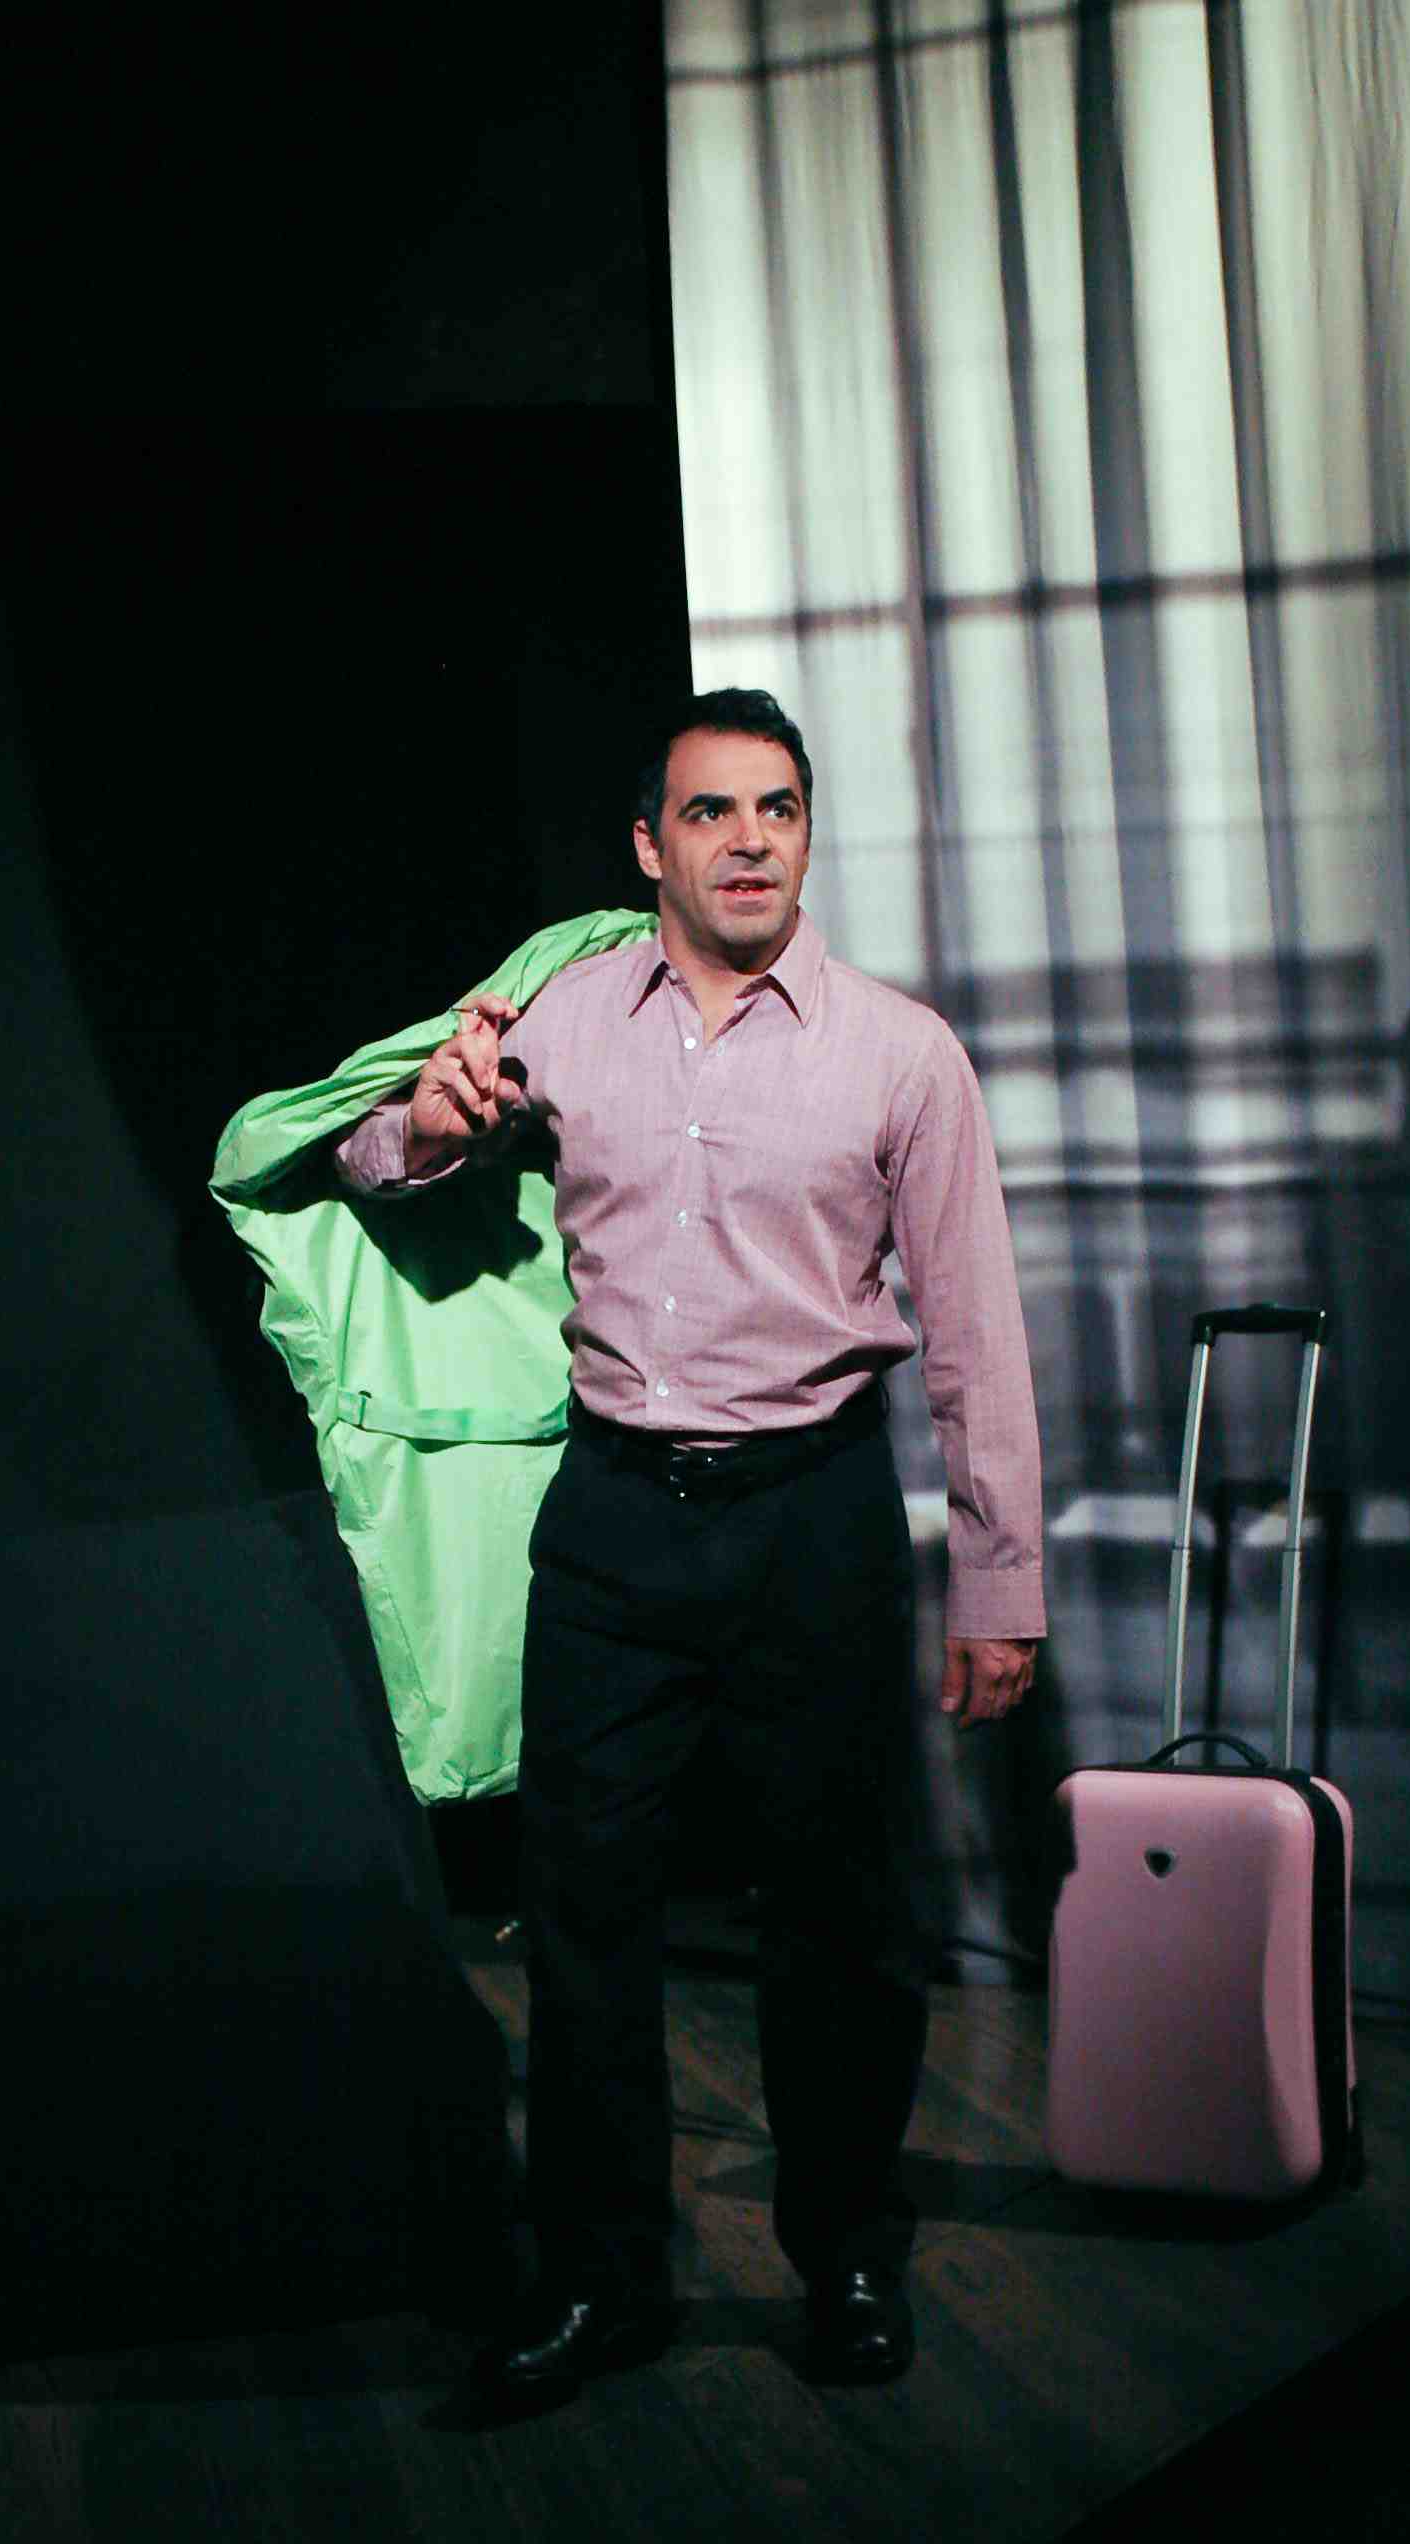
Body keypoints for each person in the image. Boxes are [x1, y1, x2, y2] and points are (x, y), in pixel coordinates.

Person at [334, 687, 1043, 2409]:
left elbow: (974, 1330)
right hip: (614, 1520)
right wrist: (425, 1125)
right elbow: (368, 1167)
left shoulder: (900, 1050)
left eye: (777, 809)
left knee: (841, 1917)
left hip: (812, 1516)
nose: (749, 841)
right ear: (651, 845)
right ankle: (604, 2283)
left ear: (807, 835)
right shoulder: (563, 1019)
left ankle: (849, 2258)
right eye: (713, 812)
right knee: (582, 1915)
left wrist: (999, 1577)